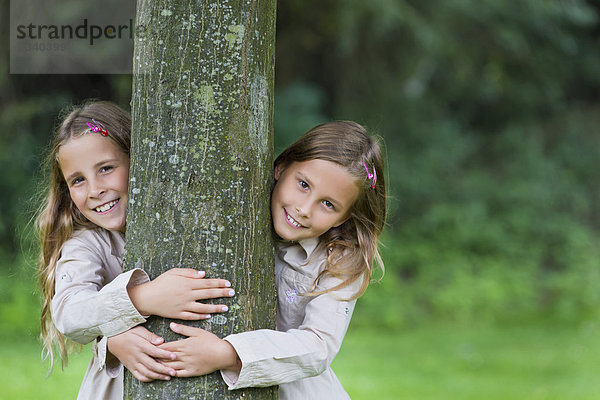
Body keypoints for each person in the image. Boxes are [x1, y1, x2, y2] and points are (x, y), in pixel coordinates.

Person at [159, 121, 387, 399]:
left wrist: (228, 354)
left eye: (328, 204)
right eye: (303, 185)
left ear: (344, 217)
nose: (304, 209)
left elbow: (319, 347)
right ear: (281, 167)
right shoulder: (243, 213)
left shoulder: (339, 260)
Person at [36, 101, 235, 399]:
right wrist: (141, 300)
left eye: (106, 169)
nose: (94, 189)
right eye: (78, 180)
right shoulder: (88, 243)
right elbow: (69, 312)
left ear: (139, 159)